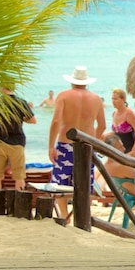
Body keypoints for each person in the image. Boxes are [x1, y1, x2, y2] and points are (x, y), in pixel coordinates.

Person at [49, 66, 106, 220]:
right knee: (85, 183)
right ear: (86, 82)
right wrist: (94, 141)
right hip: (87, 146)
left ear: (72, 80)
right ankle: (81, 216)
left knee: (60, 183)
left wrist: (50, 146)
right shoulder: (96, 99)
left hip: (66, 144)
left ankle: (63, 216)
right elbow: (102, 125)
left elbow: (56, 122)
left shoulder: (63, 96)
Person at [0, 84, 36, 190]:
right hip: (17, 142)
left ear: (2, 88)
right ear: (13, 88)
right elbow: (33, 121)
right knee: (19, 177)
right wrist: (21, 119)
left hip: (0, 142)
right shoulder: (21, 102)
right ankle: (20, 203)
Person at [108, 88, 135, 158]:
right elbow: (116, 132)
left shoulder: (129, 113)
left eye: (115, 99)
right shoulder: (114, 113)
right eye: (112, 99)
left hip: (130, 148)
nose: (113, 101)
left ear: (123, 99)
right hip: (119, 149)